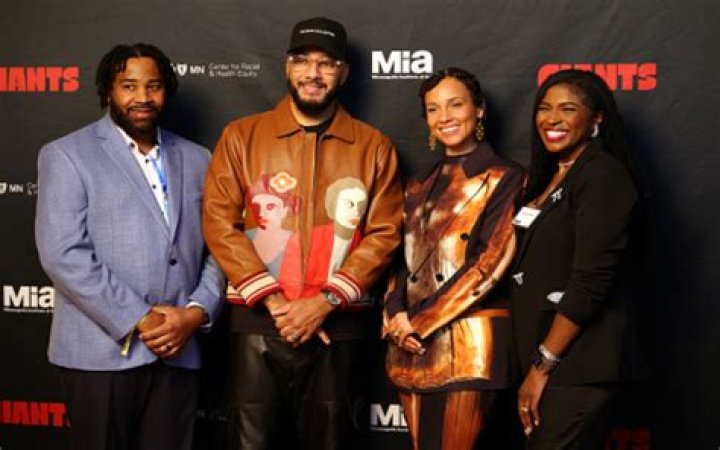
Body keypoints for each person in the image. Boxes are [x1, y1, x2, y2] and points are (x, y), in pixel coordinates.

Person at [202, 17, 403, 450]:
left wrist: (324, 302)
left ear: (343, 73)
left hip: (338, 328)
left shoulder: (373, 146)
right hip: (259, 322)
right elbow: (219, 222)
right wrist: (276, 303)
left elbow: (384, 234)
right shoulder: (240, 136)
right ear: (287, 67)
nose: (314, 73)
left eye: (326, 64)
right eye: (303, 61)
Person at [35, 43, 224, 450]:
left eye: (153, 86)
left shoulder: (198, 159)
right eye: (129, 86)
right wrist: (141, 319)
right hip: (100, 354)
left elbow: (220, 246)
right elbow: (62, 253)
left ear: (166, 91)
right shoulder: (66, 155)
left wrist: (195, 313)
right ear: (108, 91)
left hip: (178, 350)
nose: (142, 97)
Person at [383, 67, 524, 450]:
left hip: (469, 348)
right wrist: (395, 315)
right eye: (433, 109)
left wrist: (418, 322)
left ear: (479, 109)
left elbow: (489, 263)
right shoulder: (417, 184)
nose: (444, 116)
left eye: (455, 104)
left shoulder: (506, 177)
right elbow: (401, 261)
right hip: (408, 348)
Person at [510, 69, 643, 450]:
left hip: (576, 364)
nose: (552, 119)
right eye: (545, 108)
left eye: (567, 109)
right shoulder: (551, 176)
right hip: (546, 360)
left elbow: (591, 281)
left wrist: (543, 365)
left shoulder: (602, 175)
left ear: (596, 118)